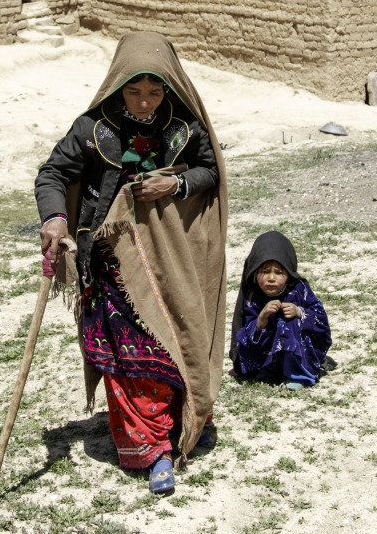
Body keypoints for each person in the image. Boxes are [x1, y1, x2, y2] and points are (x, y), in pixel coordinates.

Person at [34, 32, 226, 496]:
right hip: (109, 263)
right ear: (119, 86)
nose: (144, 102)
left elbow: (210, 171)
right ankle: (152, 447)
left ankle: (178, 420)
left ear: (170, 90)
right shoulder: (92, 128)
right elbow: (53, 174)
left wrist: (173, 187)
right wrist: (56, 219)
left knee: (173, 341)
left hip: (169, 260)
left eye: (155, 92)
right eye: (135, 91)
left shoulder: (184, 128)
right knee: (130, 355)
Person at [231, 231, 332, 390]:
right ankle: (268, 370)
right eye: (265, 271)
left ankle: (297, 375)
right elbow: (245, 331)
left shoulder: (300, 290)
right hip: (265, 354)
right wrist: (261, 319)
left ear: (289, 274)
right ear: (255, 273)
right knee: (254, 332)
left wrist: (299, 312)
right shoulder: (253, 296)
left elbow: (320, 319)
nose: (271, 278)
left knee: (287, 321)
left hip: (296, 354)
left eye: (278, 272)